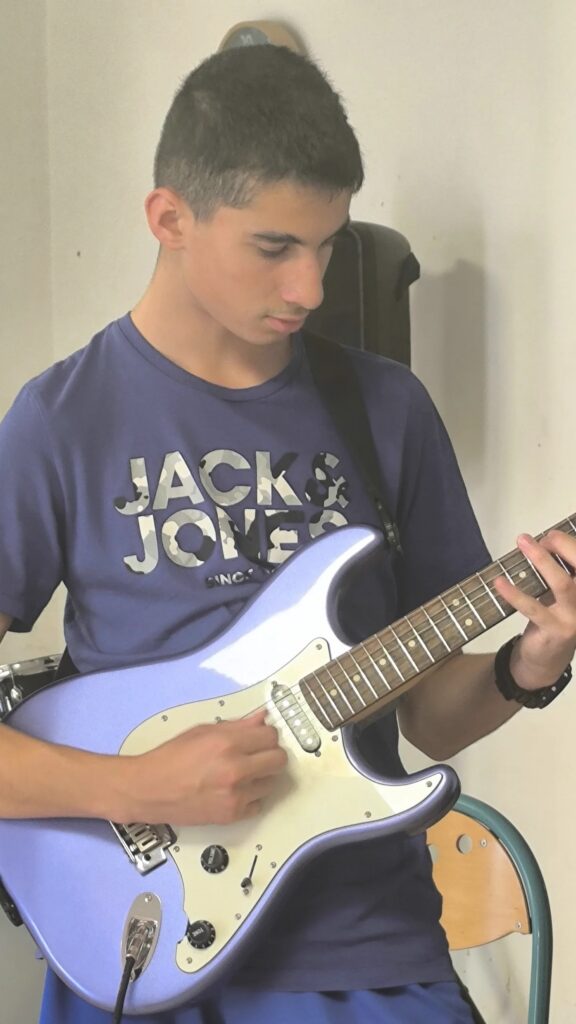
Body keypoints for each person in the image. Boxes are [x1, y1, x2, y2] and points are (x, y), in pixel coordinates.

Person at [0, 43, 574, 1024]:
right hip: (138, 941)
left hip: (367, 949)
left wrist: (529, 665)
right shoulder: (61, 421)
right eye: (274, 248)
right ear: (169, 218)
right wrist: (135, 787)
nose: (309, 287)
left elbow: (430, 718)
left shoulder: (386, 409)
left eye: (328, 246)